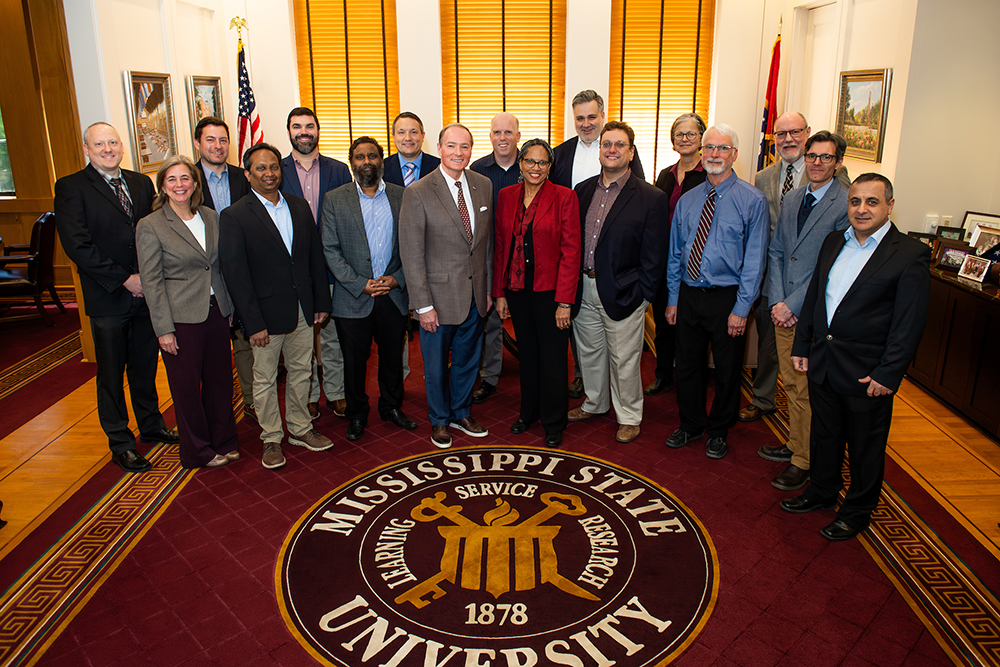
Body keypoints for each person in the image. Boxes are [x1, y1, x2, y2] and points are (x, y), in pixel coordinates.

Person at [782, 173, 930, 541]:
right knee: (825, 435)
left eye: (872, 202)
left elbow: (908, 323)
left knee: (865, 447)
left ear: (890, 206)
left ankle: (857, 511)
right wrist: (803, 346)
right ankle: (821, 492)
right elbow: (817, 297)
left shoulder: (909, 254)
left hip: (868, 373)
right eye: (855, 201)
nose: (861, 209)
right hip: (824, 362)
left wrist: (889, 374)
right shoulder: (835, 241)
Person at [54, 122, 178, 474]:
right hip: (108, 296)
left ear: (121, 145)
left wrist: (147, 280)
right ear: (86, 149)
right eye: (99, 144)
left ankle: (151, 425)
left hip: (146, 294)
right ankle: (121, 444)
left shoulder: (140, 182)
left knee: (144, 366)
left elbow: (153, 234)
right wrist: (125, 279)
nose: (107, 149)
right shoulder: (71, 188)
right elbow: (78, 246)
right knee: (111, 374)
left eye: (112, 142)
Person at [220, 143, 334, 470]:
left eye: (273, 167)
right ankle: (271, 436)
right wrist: (252, 322)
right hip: (264, 316)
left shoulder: (298, 207)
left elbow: (313, 258)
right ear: (248, 174)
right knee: (265, 378)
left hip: (302, 308)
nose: (269, 173)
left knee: (302, 370)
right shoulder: (235, 215)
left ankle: (299, 428)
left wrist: (319, 302)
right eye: (261, 168)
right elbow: (235, 274)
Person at [665, 124, 769, 459]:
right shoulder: (689, 199)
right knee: (688, 366)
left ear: (734, 154)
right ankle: (691, 424)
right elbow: (676, 252)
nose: (714, 154)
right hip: (689, 294)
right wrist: (672, 297)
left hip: (729, 298)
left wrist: (742, 308)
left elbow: (755, 259)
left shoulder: (752, 200)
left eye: (722, 148)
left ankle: (719, 430)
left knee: (726, 369)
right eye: (709, 148)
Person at [742, 112, 852, 424]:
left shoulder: (835, 184)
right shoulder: (764, 177)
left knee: (801, 373)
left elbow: (837, 249)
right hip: (773, 276)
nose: (787, 139)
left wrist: (791, 302)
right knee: (769, 344)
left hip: (811, 287)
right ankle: (763, 398)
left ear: (806, 133)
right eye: (780, 133)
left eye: (795, 132)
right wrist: (778, 297)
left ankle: (805, 439)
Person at [568, 122, 667, 444]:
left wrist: (643, 295)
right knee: (590, 353)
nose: (612, 149)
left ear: (631, 152)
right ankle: (595, 403)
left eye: (619, 145)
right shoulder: (581, 191)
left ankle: (628, 415)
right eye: (606, 144)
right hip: (584, 287)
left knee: (624, 359)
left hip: (625, 291)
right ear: (599, 150)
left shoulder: (651, 197)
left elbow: (654, 255)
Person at [136, 155, 239, 468]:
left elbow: (220, 265)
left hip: (217, 311)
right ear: (163, 187)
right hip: (180, 319)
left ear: (195, 183)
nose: (179, 185)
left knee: (221, 382)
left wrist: (229, 305)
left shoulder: (210, 216)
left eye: (185, 179)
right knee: (186, 389)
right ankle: (198, 451)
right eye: (172, 179)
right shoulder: (151, 225)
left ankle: (225, 441)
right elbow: (152, 282)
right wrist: (163, 328)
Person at [765, 131, 851, 491]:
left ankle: (806, 459)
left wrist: (792, 304)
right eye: (812, 155)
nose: (817, 163)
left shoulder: (846, 203)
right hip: (783, 308)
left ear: (838, 162)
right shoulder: (793, 197)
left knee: (808, 389)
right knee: (792, 385)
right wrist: (776, 301)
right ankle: (796, 444)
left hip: (814, 312)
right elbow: (777, 252)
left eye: (825, 157)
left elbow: (834, 265)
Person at [399, 123, 493, 449]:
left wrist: (490, 289)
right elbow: (411, 254)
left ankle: (461, 412)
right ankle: (439, 420)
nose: (458, 153)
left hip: (476, 295)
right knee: (436, 365)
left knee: (468, 360)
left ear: (471, 149)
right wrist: (422, 305)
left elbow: (486, 245)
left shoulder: (484, 185)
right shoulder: (418, 192)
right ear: (439, 147)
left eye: (465, 146)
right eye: (451, 146)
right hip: (437, 300)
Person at [321, 137, 417, 441]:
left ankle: (391, 407)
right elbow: (330, 249)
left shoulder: (403, 197)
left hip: (392, 294)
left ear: (382, 161)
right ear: (352, 163)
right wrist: (358, 283)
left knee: (392, 357)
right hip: (353, 297)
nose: (366, 162)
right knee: (353, 361)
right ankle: (357, 414)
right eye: (360, 157)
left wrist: (398, 278)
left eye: (372, 156)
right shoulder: (335, 199)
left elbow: (413, 246)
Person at [551, 90, 644, 400]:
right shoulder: (560, 154)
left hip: (618, 269)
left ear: (602, 117)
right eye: (580, 118)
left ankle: (624, 406)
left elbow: (639, 204)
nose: (586, 123)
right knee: (584, 337)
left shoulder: (622, 149)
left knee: (622, 351)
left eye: (592, 117)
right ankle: (588, 388)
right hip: (577, 263)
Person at [492, 139, 580, 447]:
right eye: (530, 161)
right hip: (518, 291)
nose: (536, 168)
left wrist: (565, 301)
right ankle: (527, 412)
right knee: (527, 355)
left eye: (542, 163)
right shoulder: (506, 196)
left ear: (550, 167)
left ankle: (554, 421)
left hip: (552, 293)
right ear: (520, 163)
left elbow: (571, 252)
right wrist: (499, 292)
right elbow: (501, 245)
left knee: (553, 359)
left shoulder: (564, 198)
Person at [280, 107, 352, 421]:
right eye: (297, 127)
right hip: (292, 268)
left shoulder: (338, 170)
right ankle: (308, 395)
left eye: (309, 126)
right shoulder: (275, 169)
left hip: (331, 264)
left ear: (318, 130)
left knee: (333, 334)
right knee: (302, 337)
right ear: (289, 132)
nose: (304, 132)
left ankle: (336, 392)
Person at [192, 116, 255, 422]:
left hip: (240, 268)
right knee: (212, 349)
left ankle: (251, 400)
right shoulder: (185, 179)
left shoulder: (242, 177)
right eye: (210, 140)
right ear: (197, 143)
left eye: (222, 140)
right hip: (202, 277)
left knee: (244, 339)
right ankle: (214, 412)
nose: (217, 146)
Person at [646, 112, 708, 396]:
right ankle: (663, 373)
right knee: (662, 322)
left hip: (695, 263)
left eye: (690, 134)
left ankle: (688, 376)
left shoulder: (710, 174)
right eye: (679, 135)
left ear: (701, 139)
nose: (684, 139)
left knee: (689, 325)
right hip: (664, 261)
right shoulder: (665, 175)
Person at [470, 112, 522, 404]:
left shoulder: (531, 166)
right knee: (489, 320)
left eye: (508, 132)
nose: (502, 138)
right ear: (490, 136)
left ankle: (535, 372)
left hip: (524, 259)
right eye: (496, 132)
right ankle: (489, 378)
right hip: (489, 258)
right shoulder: (476, 170)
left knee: (527, 318)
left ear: (517, 135)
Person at [384, 112, 442, 187]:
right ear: (394, 137)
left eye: (413, 132)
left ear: (423, 136)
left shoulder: (439, 167)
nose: (408, 138)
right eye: (401, 132)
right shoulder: (382, 169)